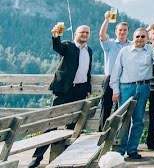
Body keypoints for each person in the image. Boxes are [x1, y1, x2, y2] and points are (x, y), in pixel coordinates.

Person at [28, 24, 93, 168]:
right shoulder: (68, 46)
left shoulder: (89, 50)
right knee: (51, 123)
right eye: (82, 32)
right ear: (75, 34)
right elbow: (57, 47)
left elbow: (88, 72)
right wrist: (56, 36)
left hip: (80, 92)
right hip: (63, 90)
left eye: (87, 33)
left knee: (73, 125)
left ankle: (65, 159)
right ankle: (37, 158)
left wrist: (88, 89)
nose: (84, 34)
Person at [112, 27, 154, 159]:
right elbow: (116, 72)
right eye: (137, 36)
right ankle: (120, 150)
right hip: (126, 88)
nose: (140, 39)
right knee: (124, 119)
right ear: (133, 37)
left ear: (147, 38)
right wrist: (115, 90)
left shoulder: (150, 50)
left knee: (138, 120)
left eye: (143, 37)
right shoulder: (124, 51)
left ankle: (132, 149)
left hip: (144, 87)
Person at [99, 11, 129, 125]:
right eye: (120, 30)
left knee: (120, 109)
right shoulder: (110, 44)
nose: (122, 32)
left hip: (125, 79)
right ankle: (102, 133)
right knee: (106, 107)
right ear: (116, 31)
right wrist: (106, 19)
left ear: (128, 32)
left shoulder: (131, 45)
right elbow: (102, 35)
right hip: (110, 79)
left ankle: (115, 134)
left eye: (124, 30)